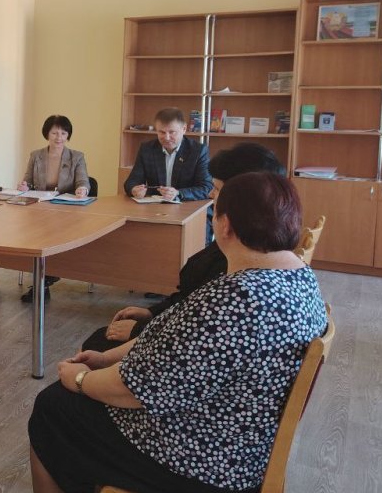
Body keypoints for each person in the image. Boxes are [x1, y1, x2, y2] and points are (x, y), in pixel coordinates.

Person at [26, 172, 327, 493]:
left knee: (54, 406)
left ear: (225, 226)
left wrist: (80, 380)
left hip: (207, 465)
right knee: (85, 388)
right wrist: (106, 361)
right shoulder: (298, 277)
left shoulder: (237, 299)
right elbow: (175, 342)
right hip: (241, 446)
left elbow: (136, 391)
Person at [82, 143, 285, 352]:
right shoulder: (245, 251)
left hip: (173, 346)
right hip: (173, 329)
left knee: (95, 346)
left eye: (216, 189)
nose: (211, 195)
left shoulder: (237, 284)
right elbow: (190, 301)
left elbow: (191, 337)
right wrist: (153, 312)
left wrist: (140, 330)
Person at [18, 115, 90, 303]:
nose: (59, 137)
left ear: (68, 135)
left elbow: (83, 180)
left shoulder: (76, 156)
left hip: (65, 209)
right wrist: (24, 186)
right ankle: (43, 281)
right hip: (40, 208)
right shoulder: (36, 155)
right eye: (54, 133)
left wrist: (82, 189)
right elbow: (28, 181)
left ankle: (44, 281)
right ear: (47, 134)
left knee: (53, 236)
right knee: (34, 238)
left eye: (63, 133)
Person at [123, 107, 211, 202]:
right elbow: (131, 182)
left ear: (184, 129)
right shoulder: (147, 149)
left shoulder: (198, 151)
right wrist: (134, 189)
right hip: (155, 206)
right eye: (162, 132)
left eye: (172, 132)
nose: (167, 138)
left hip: (187, 205)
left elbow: (206, 188)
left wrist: (178, 193)